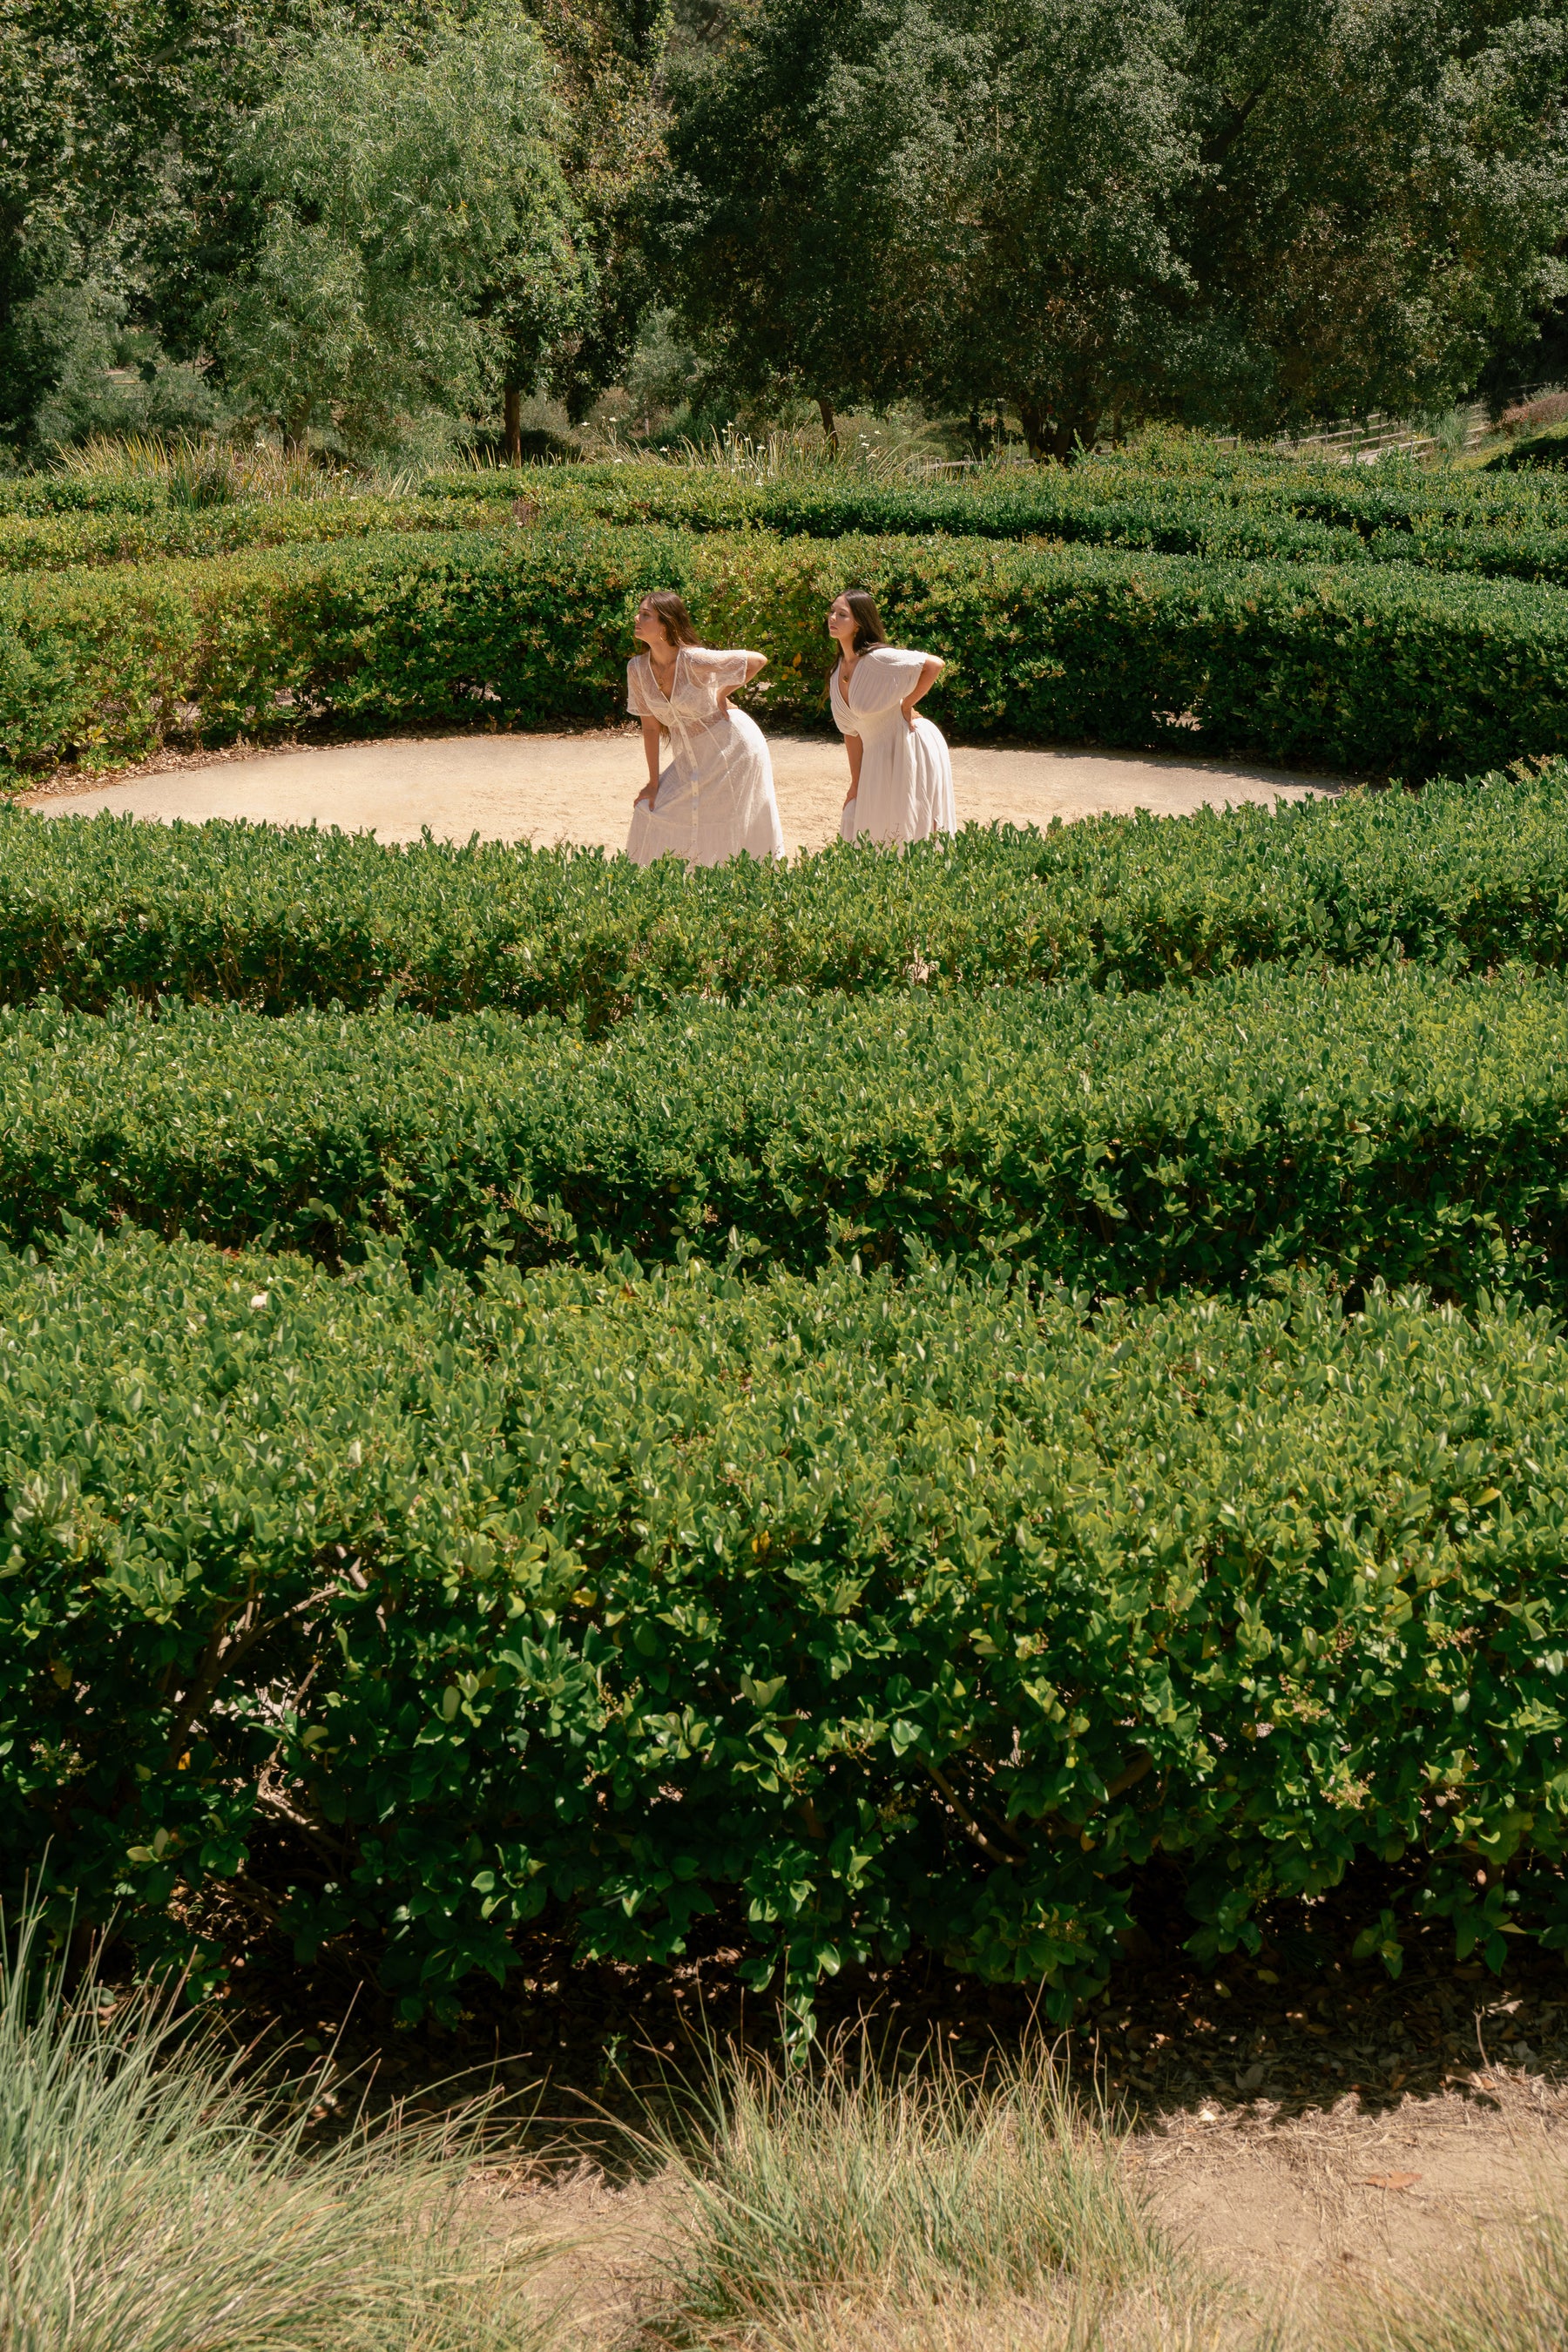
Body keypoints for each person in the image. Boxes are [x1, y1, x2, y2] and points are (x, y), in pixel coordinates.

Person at [625, 591, 783, 867]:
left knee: (727, 817)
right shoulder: (637, 669)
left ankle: (741, 878)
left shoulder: (692, 659)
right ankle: (674, 878)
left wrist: (722, 693)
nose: (637, 618)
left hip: (734, 746)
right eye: (639, 613)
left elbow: (757, 660)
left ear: (665, 625)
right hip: (694, 755)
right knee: (650, 809)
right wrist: (653, 783)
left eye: (646, 615)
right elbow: (650, 728)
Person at [827, 589, 956, 847]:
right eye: (832, 611)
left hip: (909, 743)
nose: (832, 618)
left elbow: (934, 664)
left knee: (909, 824)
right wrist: (856, 783)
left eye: (842, 614)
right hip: (878, 754)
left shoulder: (878, 659)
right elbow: (851, 732)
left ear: (859, 623)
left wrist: (907, 704)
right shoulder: (837, 670)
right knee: (876, 826)